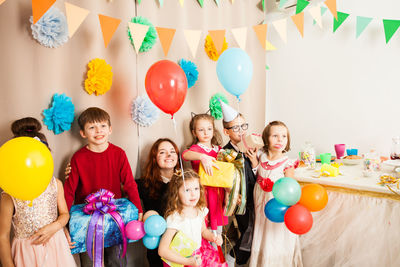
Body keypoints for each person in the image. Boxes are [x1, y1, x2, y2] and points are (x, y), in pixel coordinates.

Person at [63, 107, 142, 267]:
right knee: (90, 261)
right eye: (92, 127)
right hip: (86, 219)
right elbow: (69, 191)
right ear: (83, 133)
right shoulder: (78, 158)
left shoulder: (119, 154)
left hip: (114, 217)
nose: (98, 131)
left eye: (103, 126)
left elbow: (129, 184)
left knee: (117, 259)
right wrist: (64, 222)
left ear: (110, 129)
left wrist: (139, 210)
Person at [0, 117, 76, 267]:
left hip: (56, 246)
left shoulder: (55, 184)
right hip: (26, 253)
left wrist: (55, 226)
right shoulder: (9, 194)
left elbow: (64, 214)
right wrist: (8, 264)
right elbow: (2, 235)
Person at [249, 121, 302, 267]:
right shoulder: (261, 156)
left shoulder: (287, 162)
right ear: (266, 139)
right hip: (261, 201)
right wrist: (254, 161)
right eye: (275, 136)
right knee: (262, 231)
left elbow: (290, 186)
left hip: (277, 204)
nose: (280, 140)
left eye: (284, 136)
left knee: (275, 235)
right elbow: (257, 174)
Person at [158, 170, 226, 266]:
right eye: (187, 190)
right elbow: (162, 250)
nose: (193, 194)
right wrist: (188, 261)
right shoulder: (175, 218)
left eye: (196, 188)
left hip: (198, 255)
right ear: (177, 193)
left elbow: (203, 231)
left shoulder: (200, 210)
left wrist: (213, 237)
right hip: (183, 260)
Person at [219, 101, 257, 267]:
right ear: (226, 131)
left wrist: (254, 161)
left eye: (243, 126)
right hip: (240, 200)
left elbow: (257, 173)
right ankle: (232, 259)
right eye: (236, 128)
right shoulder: (226, 152)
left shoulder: (252, 146)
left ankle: (241, 260)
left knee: (256, 232)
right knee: (248, 232)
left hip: (256, 196)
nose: (241, 131)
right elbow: (226, 178)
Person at [136, 138, 180, 267]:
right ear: (154, 158)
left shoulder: (186, 181)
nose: (169, 155)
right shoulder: (143, 184)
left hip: (182, 242)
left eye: (173, 151)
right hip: (155, 244)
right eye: (162, 152)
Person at [182, 113, 228, 233]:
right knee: (205, 229)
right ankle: (209, 251)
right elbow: (185, 155)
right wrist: (202, 157)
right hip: (204, 194)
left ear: (213, 130)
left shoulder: (219, 149)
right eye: (201, 130)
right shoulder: (196, 149)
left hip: (219, 193)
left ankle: (217, 251)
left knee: (218, 231)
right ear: (194, 133)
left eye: (209, 129)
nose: (206, 133)